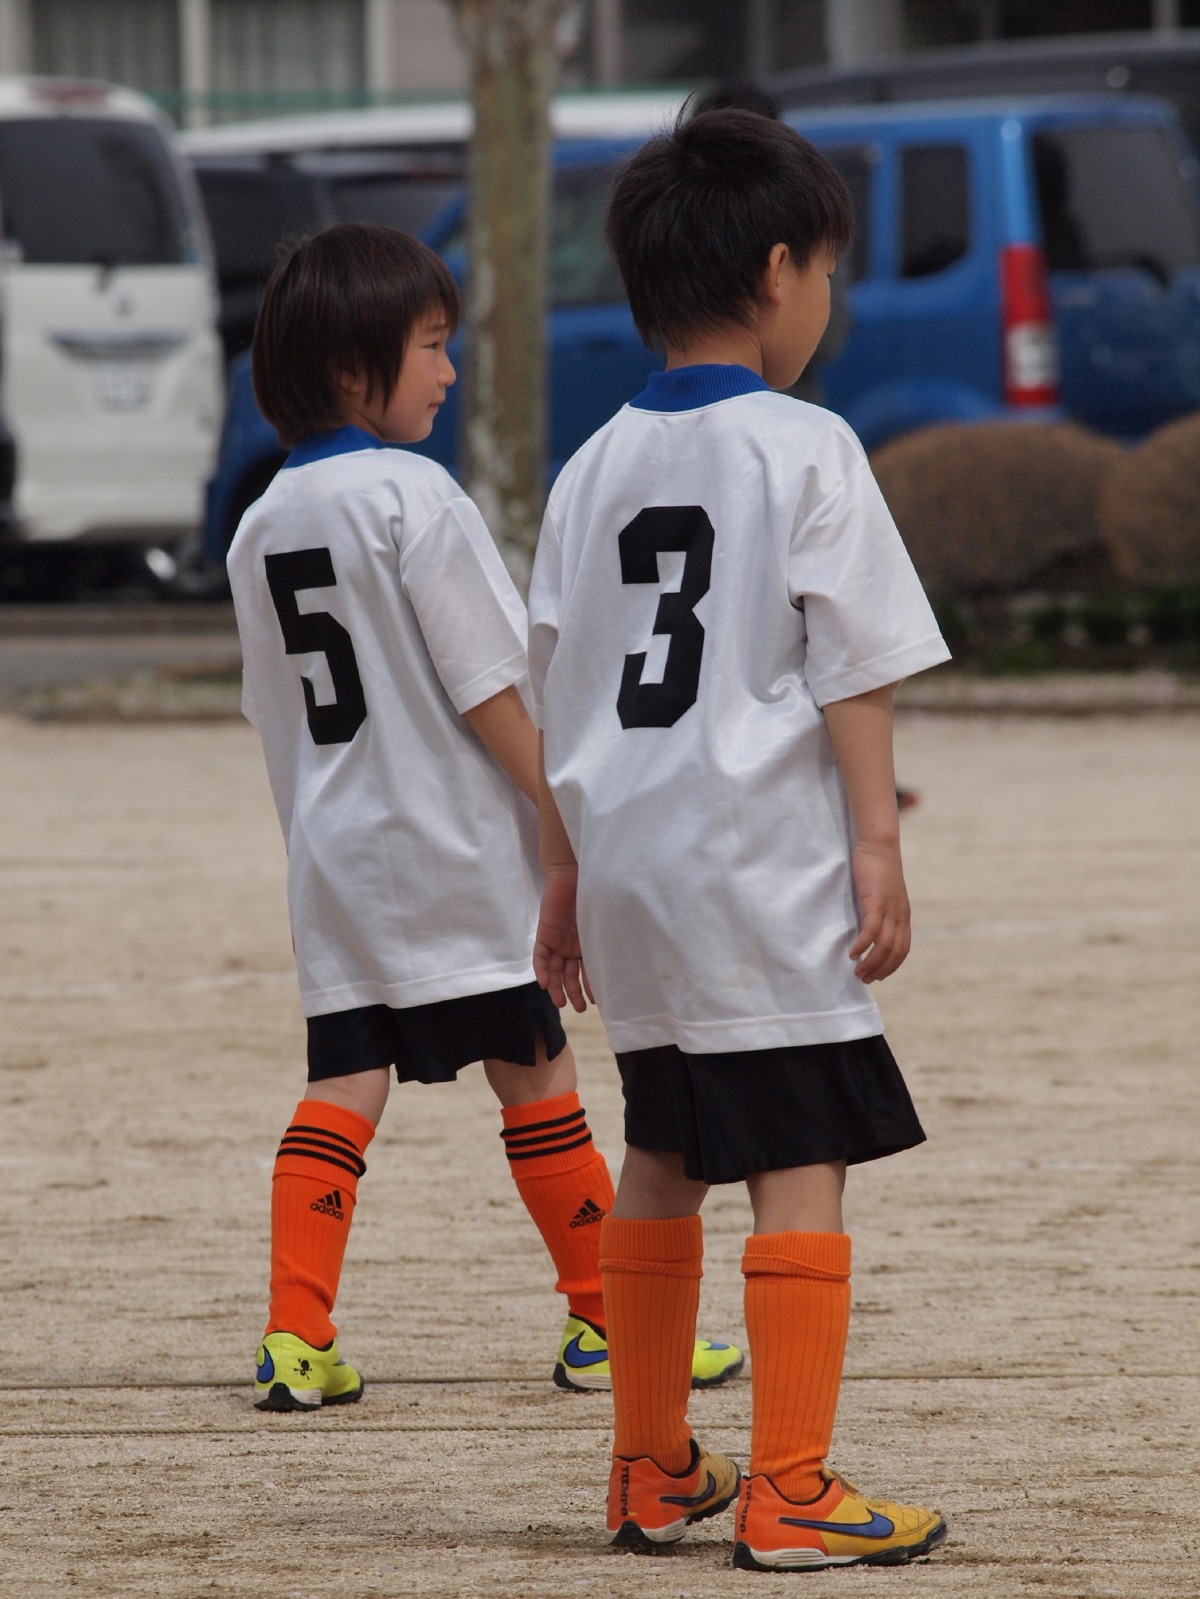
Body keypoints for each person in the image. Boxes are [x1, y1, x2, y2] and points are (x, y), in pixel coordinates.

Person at [528, 110, 950, 1570]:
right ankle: (792, 1487)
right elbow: (855, 667)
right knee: (799, 1149)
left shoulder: (588, 470)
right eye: (825, 269)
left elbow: (558, 694)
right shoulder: (807, 445)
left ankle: (648, 1465)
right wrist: (877, 844)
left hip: (631, 866)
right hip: (756, 865)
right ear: (777, 271)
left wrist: (563, 875)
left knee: (664, 1144)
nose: (824, 296)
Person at [226, 223, 742, 1412]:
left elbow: (274, 717)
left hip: (338, 856)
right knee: (537, 1070)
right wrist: (570, 817)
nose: (450, 372)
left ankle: (295, 1335)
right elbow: (491, 688)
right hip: (453, 848)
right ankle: (605, 1319)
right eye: (430, 347)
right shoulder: (413, 494)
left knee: (344, 1080)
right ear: (352, 368)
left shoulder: (261, 525)